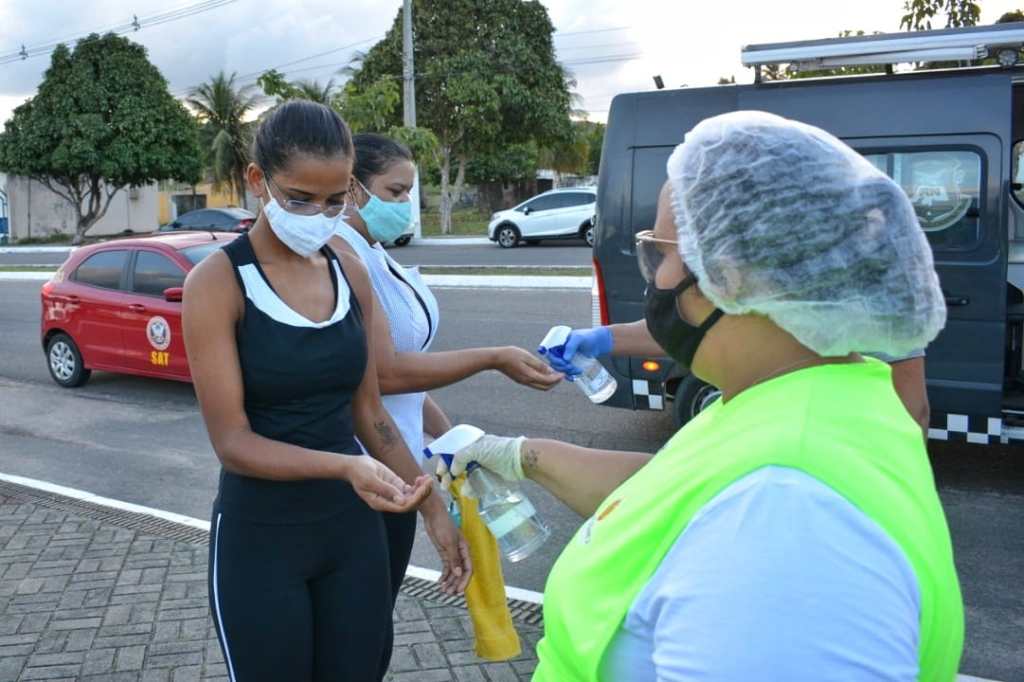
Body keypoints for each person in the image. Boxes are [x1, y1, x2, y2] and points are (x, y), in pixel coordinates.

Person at [439, 111, 964, 681]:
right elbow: (674, 496)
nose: (655, 280)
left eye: (661, 254)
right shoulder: (819, 396)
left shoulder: (785, 523)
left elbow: (742, 511)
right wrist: (520, 455)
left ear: (729, 275)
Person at [182, 101, 463, 682]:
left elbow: (369, 415)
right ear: (258, 181)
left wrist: (433, 507)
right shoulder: (216, 282)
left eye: (336, 200)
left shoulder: (346, 269)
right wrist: (342, 468)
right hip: (262, 539)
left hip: (351, 534)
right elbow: (233, 442)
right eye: (300, 198)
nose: (320, 214)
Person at [330, 133, 561, 603]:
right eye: (395, 192)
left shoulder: (374, 252)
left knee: (377, 616)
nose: (406, 204)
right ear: (354, 187)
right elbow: (386, 375)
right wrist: (492, 357)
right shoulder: (343, 255)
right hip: (366, 470)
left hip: (402, 467)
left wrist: (452, 442)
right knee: (360, 615)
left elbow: (409, 386)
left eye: (408, 192)